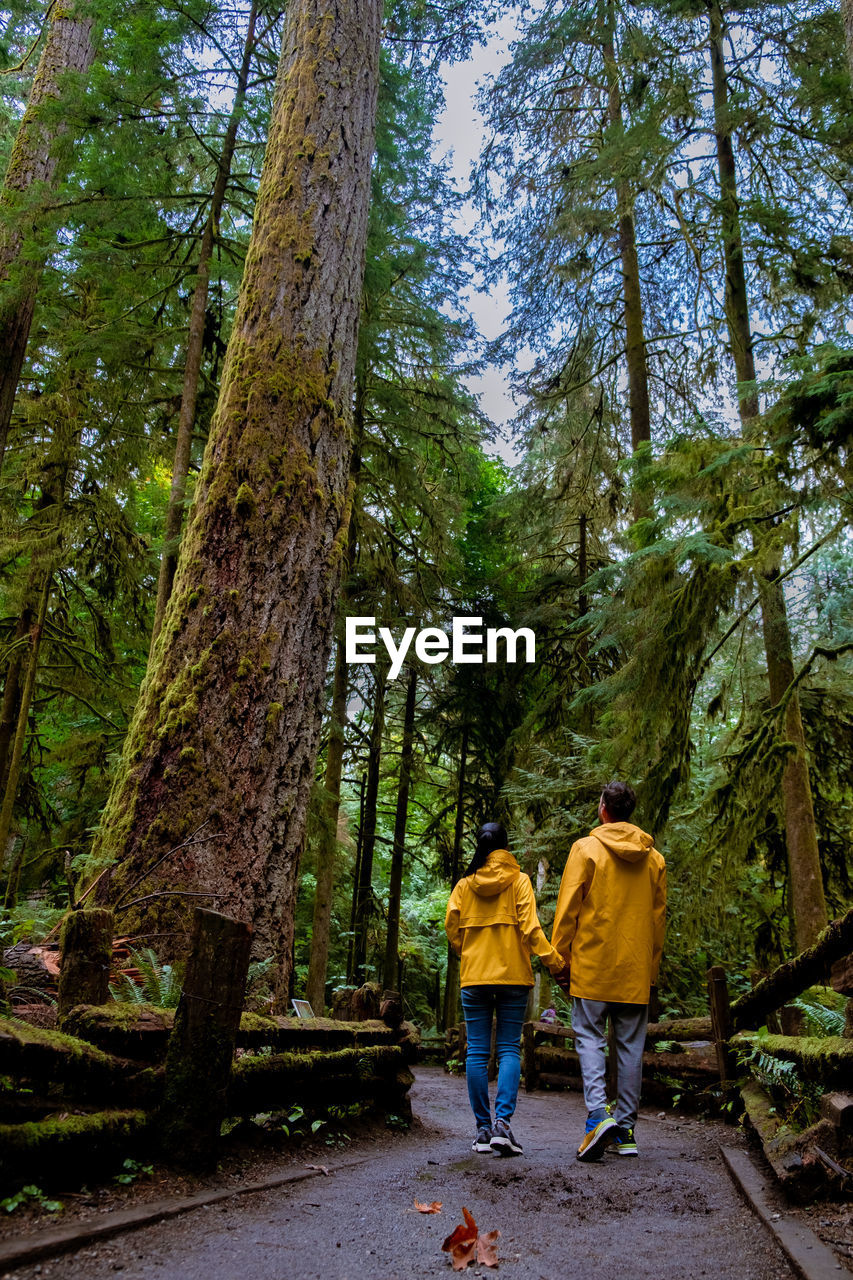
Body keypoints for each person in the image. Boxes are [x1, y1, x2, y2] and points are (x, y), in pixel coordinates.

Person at [551, 781, 666, 1162]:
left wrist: (559, 959)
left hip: (592, 965)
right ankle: (626, 1130)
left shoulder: (585, 849)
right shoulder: (654, 860)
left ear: (603, 809)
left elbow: (568, 908)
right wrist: (651, 971)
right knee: (631, 1048)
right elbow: (657, 922)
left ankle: (598, 1115)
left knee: (588, 1037)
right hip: (634, 970)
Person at [445, 821, 568, 1157]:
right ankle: (503, 1126)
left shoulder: (464, 886)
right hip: (514, 976)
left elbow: (452, 930)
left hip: (475, 978)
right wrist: (555, 961)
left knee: (476, 1052)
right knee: (510, 1050)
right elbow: (531, 929)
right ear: (504, 846)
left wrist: (469, 952)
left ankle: (483, 1131)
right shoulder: (519, 881)